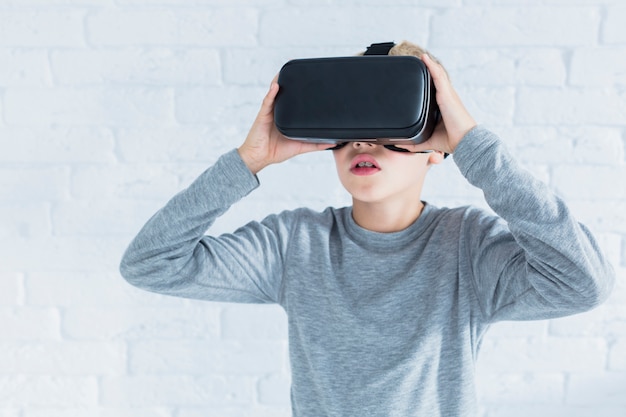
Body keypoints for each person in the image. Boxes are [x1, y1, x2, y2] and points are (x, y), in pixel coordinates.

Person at [119, 41, 615, 416]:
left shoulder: (468, 247)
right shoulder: (295, 244)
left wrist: (475, 147)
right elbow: (150, 264)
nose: (365, 144)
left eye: (391, 129)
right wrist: (247, 161)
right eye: (351, 130)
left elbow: (583, 283)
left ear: (436, 147)